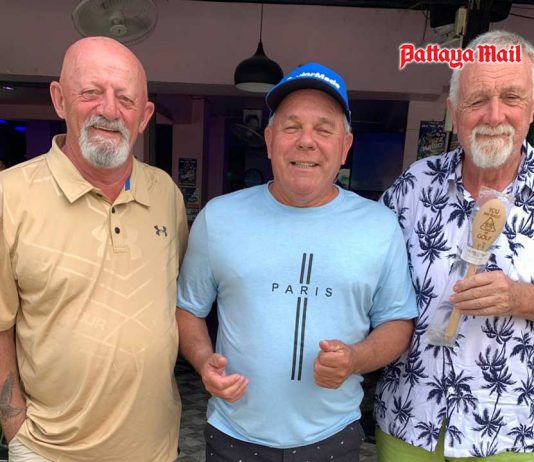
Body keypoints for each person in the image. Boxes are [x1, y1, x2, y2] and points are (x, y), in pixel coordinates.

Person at [176, 62, 417, 461]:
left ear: (345, 146)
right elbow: (188, 308)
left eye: (324, 129)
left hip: (332, 438)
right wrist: (203, 362)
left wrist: (355, 359)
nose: (306, 141)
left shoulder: (380, 225)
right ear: (269, 140)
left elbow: (398, 322)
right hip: (235, 437)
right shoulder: (219, 217)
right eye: (292, 127)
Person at [0, 37, 188, 462]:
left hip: (155, 450)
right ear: (59, 99)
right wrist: (16, 428)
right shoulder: (9, 196)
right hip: (48, 450)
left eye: (125, 98)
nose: (109, 110)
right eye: (91, 92)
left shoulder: (165, 193)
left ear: (145, 116)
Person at [375, 30, 534, 461]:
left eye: (512, 97)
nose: (494, 115)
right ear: (453, 111)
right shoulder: (414, 185)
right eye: (477, 99)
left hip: (510, 433)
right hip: (409, 421)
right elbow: (364, 273)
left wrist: (521, 298)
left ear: (532, 108)